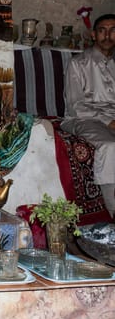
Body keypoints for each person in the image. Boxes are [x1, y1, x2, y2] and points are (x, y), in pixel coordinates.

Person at [61, 13, 115, 216]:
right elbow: (76, 105)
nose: (107, 35)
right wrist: (109, 122)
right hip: (83, 118)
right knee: (110, 146)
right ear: (93, 35)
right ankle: (113, 210)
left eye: (113, 30)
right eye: (102, 30)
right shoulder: (78, 63)